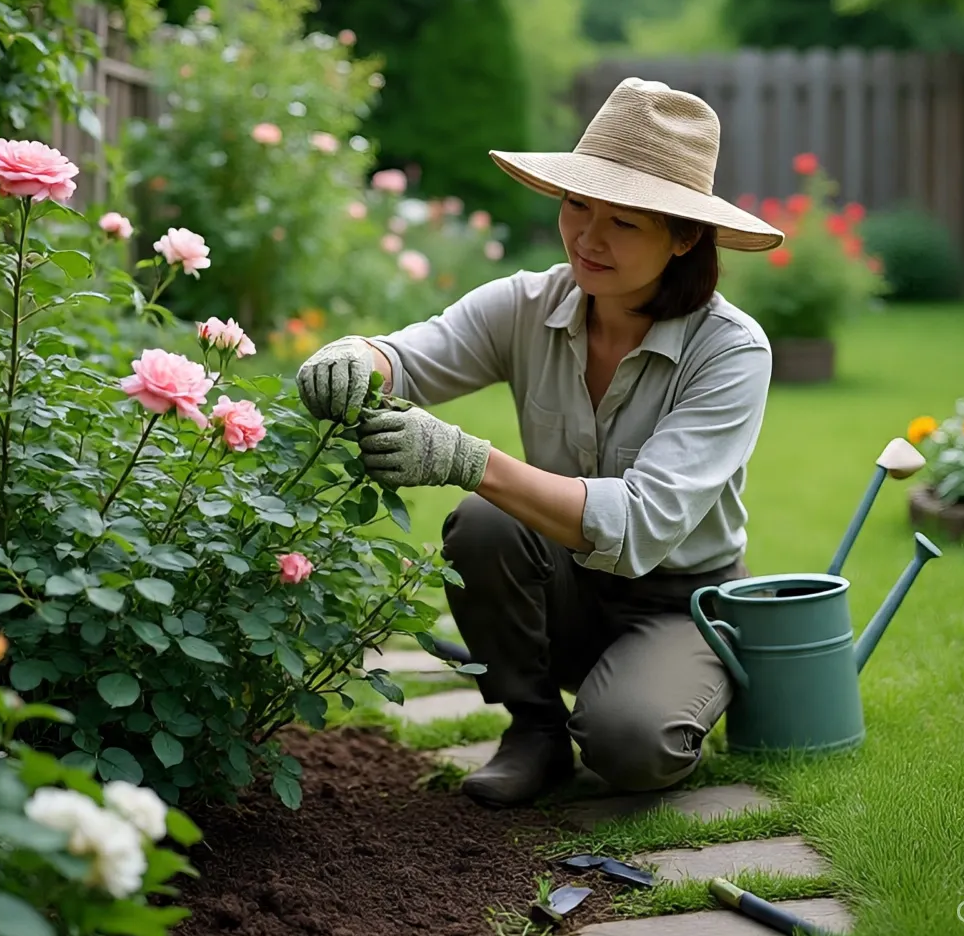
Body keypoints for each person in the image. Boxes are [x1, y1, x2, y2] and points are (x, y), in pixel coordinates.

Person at [296, 77, 784, 808]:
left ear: (684, 238)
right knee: (487, 525)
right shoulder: (528, 305)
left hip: (679, 601)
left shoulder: (731, 351)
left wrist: (467, 459)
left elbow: (645, 521)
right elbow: (415, 351)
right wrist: (355, 357)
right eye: (577, 205)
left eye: (623, 222)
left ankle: (662, 689)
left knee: (631, 746)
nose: (588, 237)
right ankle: (535, 731)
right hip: (561, 584)